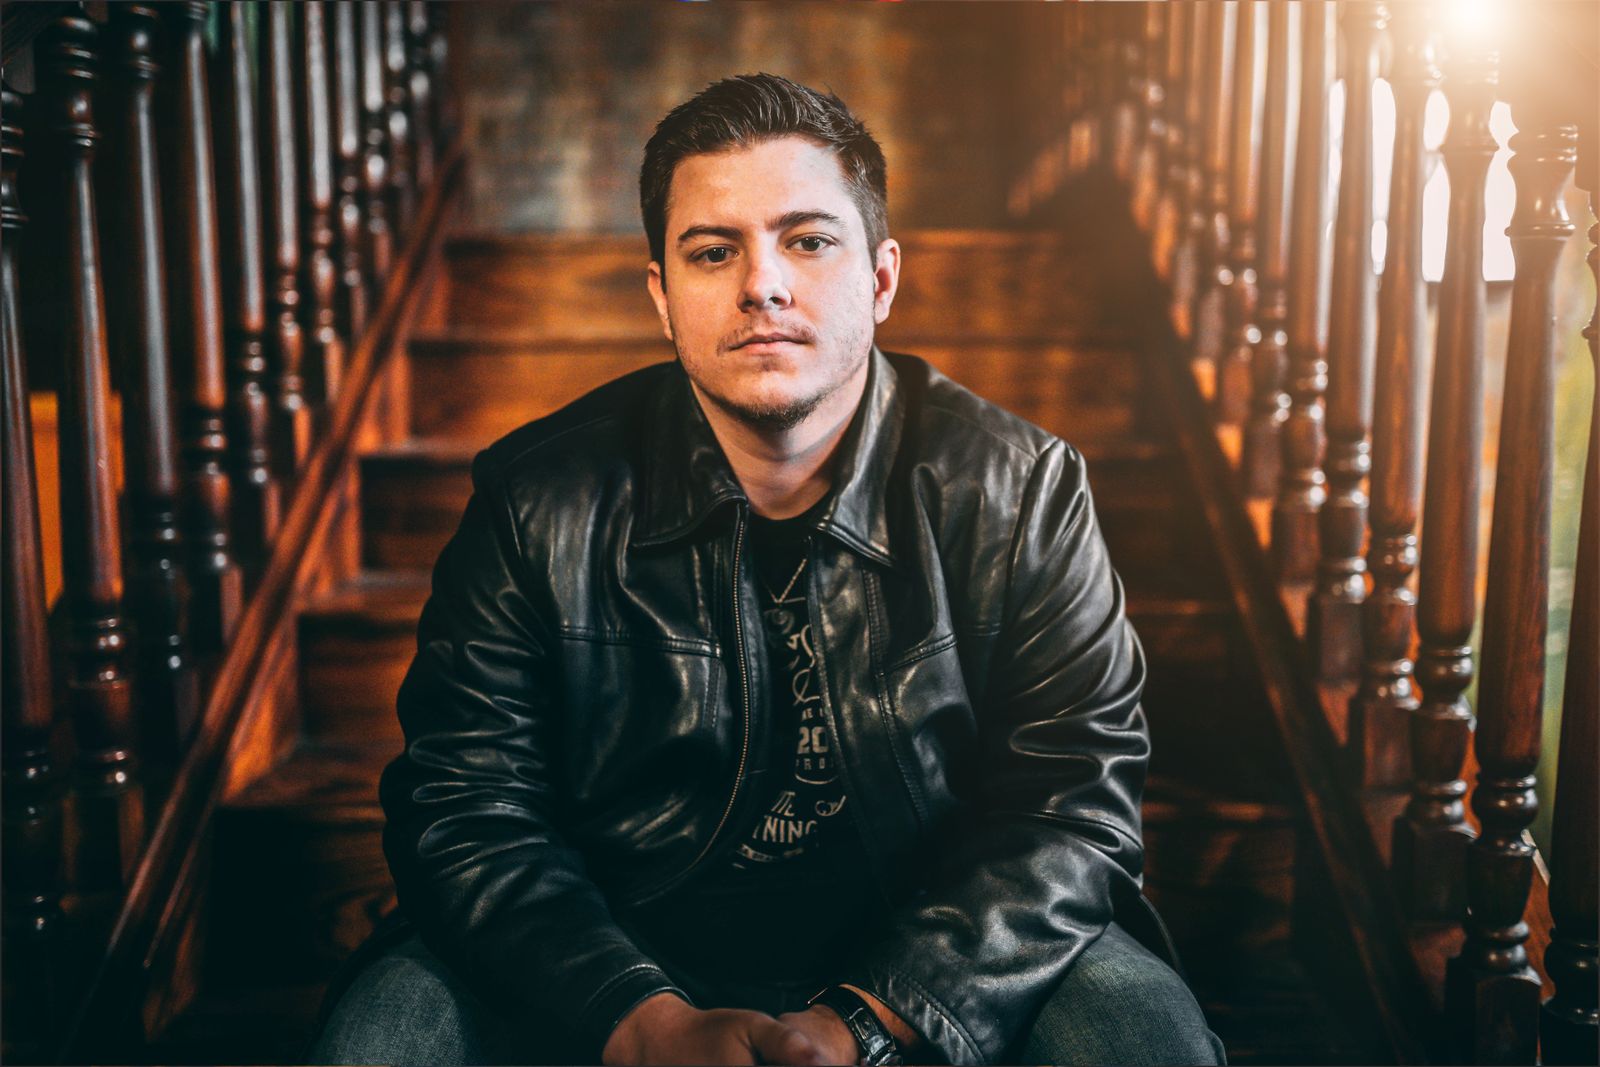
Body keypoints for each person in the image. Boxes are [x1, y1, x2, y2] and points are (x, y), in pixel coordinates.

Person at [307, 73, 1225, 1066]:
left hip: (934, 944)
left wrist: (865, 1019)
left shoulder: (1019, 490)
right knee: (383, 1037)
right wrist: (641, 1019)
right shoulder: (537, 499)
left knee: (1141, 1033)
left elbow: (1071, 809)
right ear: (661, 296)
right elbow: (465, 806)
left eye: (809, 240)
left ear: (881, 278)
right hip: (615, 941)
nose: (763, 286)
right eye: (714, 251)